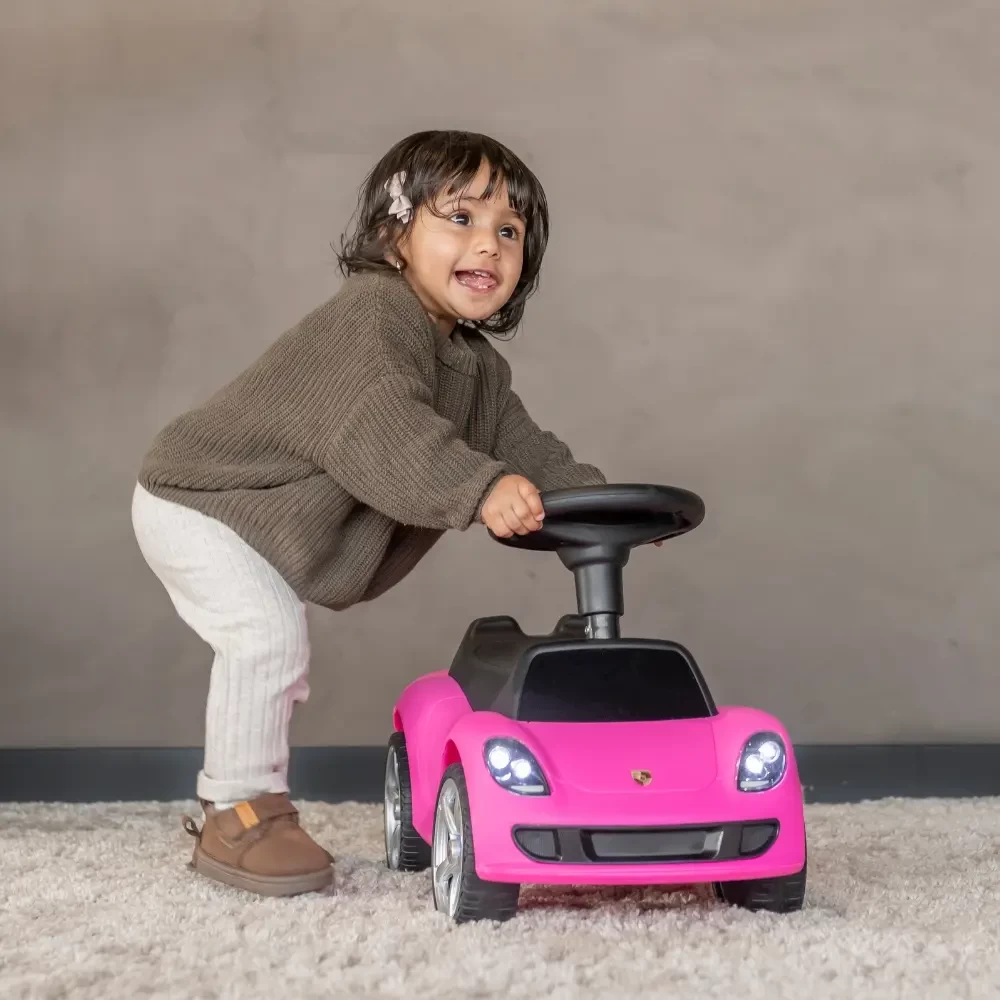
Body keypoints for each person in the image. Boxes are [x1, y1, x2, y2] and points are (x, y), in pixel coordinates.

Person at [131, 129, 610, 898]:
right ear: (394, 236)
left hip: (253, 516)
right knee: (265, 637)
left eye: (509, 231)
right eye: (461, 218)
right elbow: (384, 431)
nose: (487, 245)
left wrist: (598, 506)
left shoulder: (475, 367)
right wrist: (482, 488)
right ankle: (237, 812)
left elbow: (528, 448)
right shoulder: (373, 318)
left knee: (272, 637)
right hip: (202, 499)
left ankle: (244, 806)